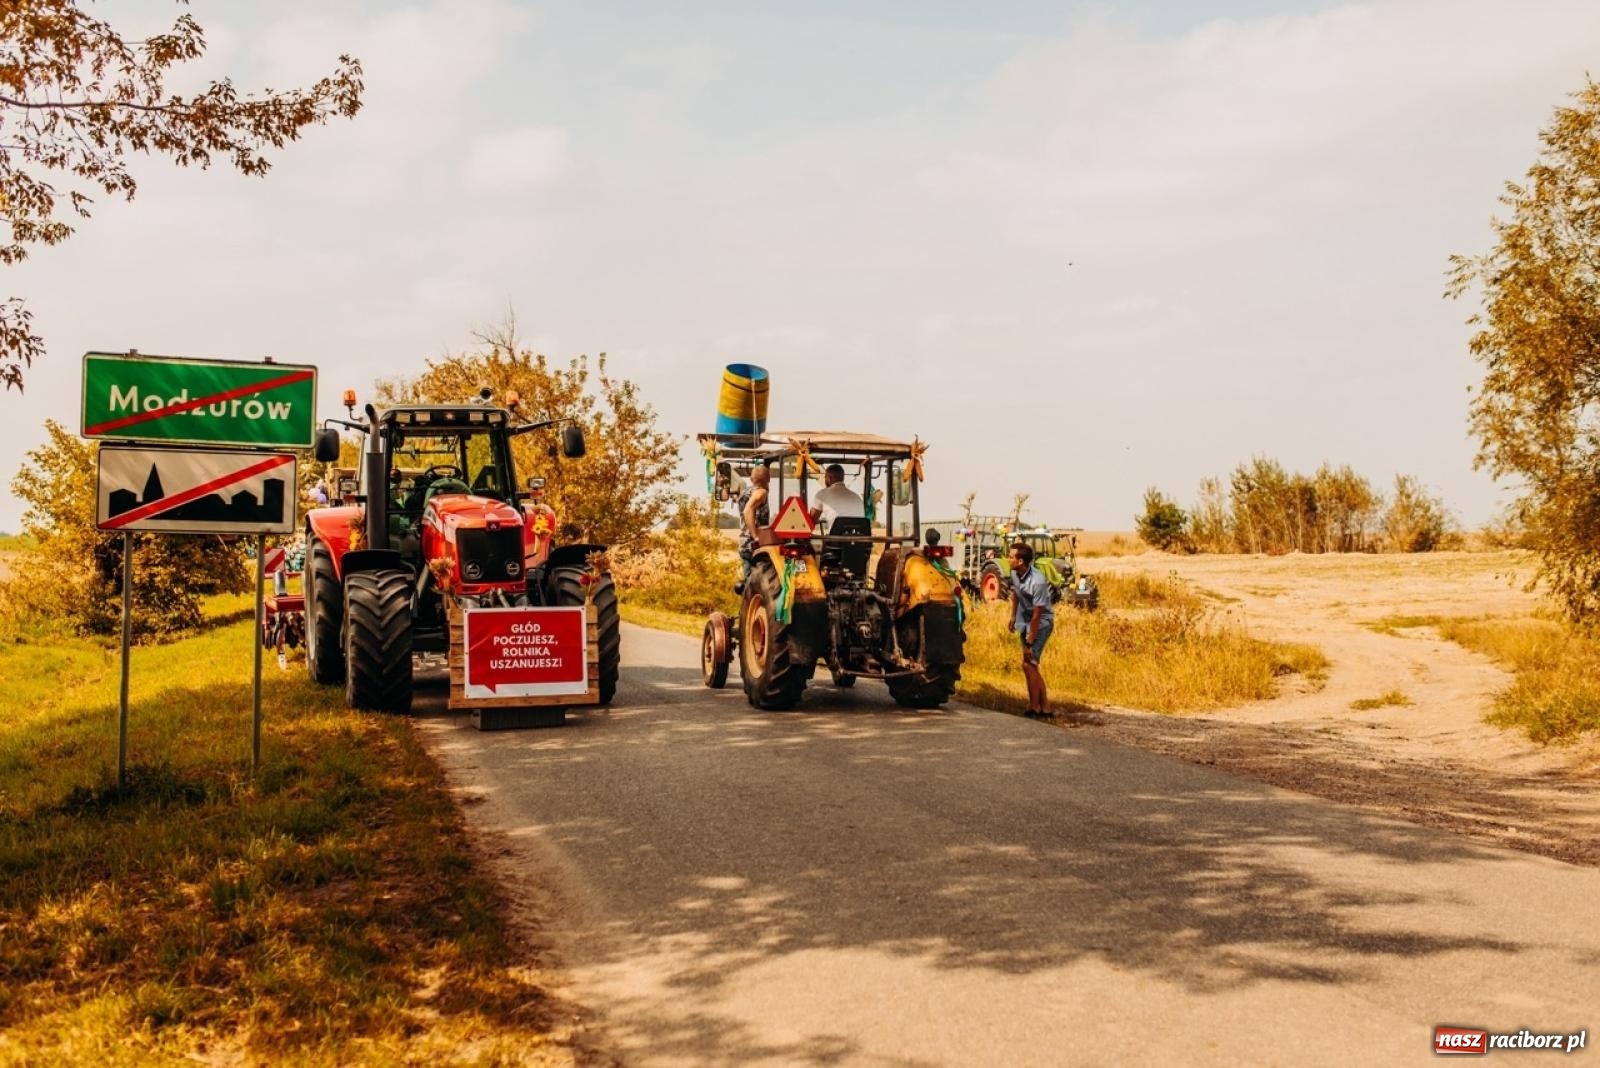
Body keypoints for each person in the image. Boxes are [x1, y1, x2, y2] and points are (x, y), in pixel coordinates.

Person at [1007, 541, 1055, 718]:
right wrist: (1013, 616)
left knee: (1029, 664)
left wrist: (1029, 642)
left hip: (1041, 624)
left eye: (1011, 557)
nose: (1008, 559)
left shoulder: (1038, 582)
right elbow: (1016, 594)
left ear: (1020, 561)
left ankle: (1036, 707)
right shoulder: (1014, 574)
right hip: (1025, 621)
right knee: (1030, 666)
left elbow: (1037, 615)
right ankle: (1044, 708)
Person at [735, 463, 771, 594]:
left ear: (751, 479)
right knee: (762, 588)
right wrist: (756, 536)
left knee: (748, 587)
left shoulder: (745, 492)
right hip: (755, 546)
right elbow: (747, 510)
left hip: (744, 544)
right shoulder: (761, 492)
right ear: (768, 479)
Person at [809, 463, 865, 532]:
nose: (825, 480)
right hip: (859, 540)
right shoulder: (857, 497)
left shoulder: (822, 494)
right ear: (843, 478)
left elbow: (812, 519)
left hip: (835, 541)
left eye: (825, 477)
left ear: (829, 478)